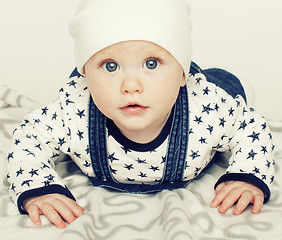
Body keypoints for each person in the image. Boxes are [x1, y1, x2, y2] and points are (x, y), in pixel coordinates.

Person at [6, 0, 275, 229]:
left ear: (182, 72)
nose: (131, 85)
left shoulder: (207, 111)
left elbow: (251, 128)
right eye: (110, 66)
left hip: (204, 92)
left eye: (151, 63)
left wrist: (246, 175)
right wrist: (39, 188)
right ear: (86, 75)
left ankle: (221, 80)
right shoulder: (73, 110)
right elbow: (28, 139)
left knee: (228, 89)